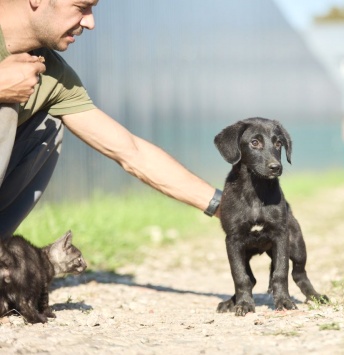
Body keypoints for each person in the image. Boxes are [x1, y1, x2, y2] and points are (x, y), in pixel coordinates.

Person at [0, 0, 221, 239]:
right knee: (7, 108)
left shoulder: (52, 74)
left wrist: (225, 206)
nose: (90, 22)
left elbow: (131, 152)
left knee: (48, 125)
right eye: (81, 7)